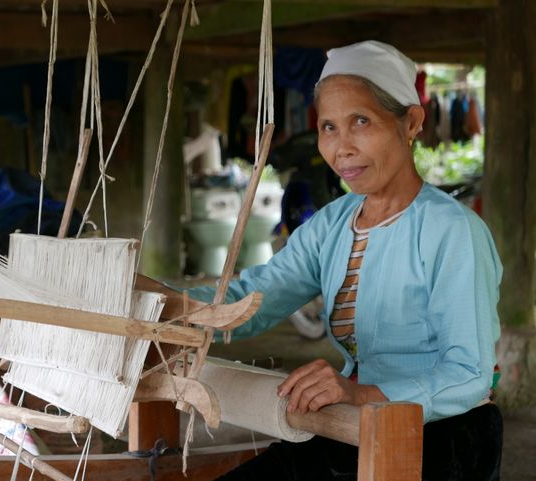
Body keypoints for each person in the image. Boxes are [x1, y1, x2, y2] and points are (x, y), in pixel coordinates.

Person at [191, 40, 503, 481]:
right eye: (329, 127)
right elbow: (251, 299)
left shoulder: (452, 232)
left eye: (361, 121)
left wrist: (361, 394)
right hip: (355, 425)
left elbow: (469, 373)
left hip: (445, 440)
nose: (342, 147)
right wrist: (165, 307)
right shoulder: (333, 224)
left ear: (411, 122)